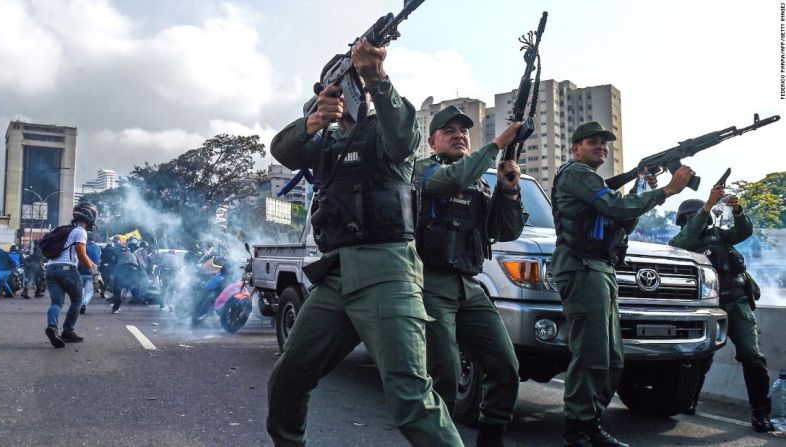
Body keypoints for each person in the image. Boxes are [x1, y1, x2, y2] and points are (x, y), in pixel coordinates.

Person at [265, 38, 463, 446]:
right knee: (288, 378)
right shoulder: (324, 144)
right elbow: (282, 150)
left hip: (389, 274)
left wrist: (377, 77)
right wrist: (314, 120)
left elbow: (407, 137)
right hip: (337, 276)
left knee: (411, 399)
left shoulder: (384, 131)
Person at [552, 122, 694, 446]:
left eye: (605, 142)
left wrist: (641, 189)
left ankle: (590, 423)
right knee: (591, 354)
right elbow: (616, 207)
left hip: (601, 268)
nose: (601, 146)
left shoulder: (595, 184)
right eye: (593, 142)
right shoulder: (576, 173)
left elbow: (623, 220)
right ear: (576, 148)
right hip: (581, 267)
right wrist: (667, 190)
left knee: (612, 357)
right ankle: (578, 430)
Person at [413, 105, 525, 446]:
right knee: (443, 374)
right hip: (430, 283)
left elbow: (506, 232)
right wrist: (494, 146)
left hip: (470, 286)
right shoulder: (423, 170)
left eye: (464, 131)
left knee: (506, 366)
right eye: (450, 131)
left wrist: (509, 190)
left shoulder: (480, 182)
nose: (459, 134)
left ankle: (491, 437)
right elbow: (451, 180)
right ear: (433, 141)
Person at [669, 186, 775, 432]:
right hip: (707, 306)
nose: (702, 221)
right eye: (694, 217)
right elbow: (682, 240)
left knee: (752, 356)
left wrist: (737, 210)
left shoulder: (720, 235)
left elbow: (744, 230)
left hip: (736, 300)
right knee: (698, 357)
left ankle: (760, 413)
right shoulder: (680, 243)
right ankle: (689, 399)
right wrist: (706, 205)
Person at [44, 202, 104, 348]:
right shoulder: (80, 231)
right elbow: (81, 253)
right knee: (77, 300)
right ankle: (68, 332)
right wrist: (93, 272)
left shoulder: (65, 230)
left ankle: (52, 327)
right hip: (67, 269)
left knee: (57, 302)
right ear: (89, 216)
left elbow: (80, 254)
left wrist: (93, 266)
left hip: (51, 269)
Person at [110, 242, 143, 313]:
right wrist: (139, 278)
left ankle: (115, 308)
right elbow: (139, 267)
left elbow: (112, 264)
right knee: (131, 284)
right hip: (134, 272)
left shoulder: (117, 254)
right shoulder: (133, 254)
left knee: (117, 288)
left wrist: (111, 274)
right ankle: (132, 294)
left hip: (122, 270)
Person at [79, 233, 102, 314]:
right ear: (94, 238)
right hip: (92, 272)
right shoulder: (97, 247)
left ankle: (79, 303)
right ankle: (84, 304)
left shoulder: (82, 246)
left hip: (80, 271)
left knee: (81, 289)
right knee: (89, 291)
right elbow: (99, 260)